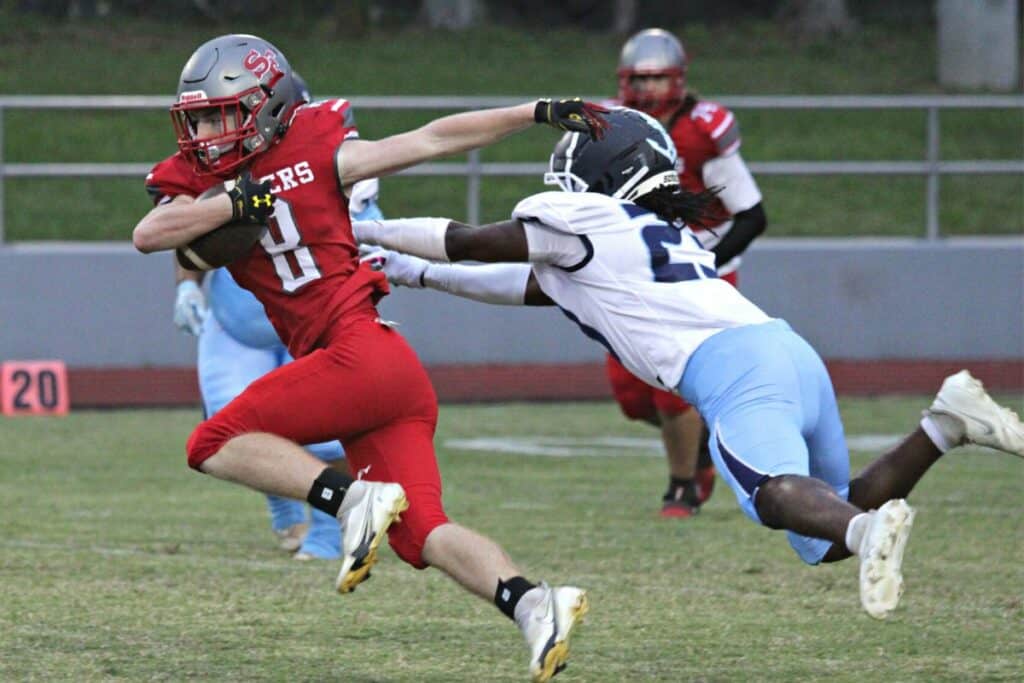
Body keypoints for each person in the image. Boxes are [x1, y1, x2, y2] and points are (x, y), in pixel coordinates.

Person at [354, 107, 1024, 620]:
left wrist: (371, 230)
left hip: (733, 370)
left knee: (771, 494)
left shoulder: (586, 216)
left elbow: (473, 243)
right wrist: (414, 274)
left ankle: (869, 527)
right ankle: (944, 426)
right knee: (819, 531)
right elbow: (519, 280)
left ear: (609, 168)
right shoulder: (649, 236)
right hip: (786, 351)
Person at [133, 34, 607, 681]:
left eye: (225, 113)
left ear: (269, 106)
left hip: (352, 351)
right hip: (387, 368)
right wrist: (230, 202)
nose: (212, 132)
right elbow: (148, 233)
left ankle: (352, 498)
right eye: (203, 118)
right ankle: (535, 603)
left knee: (212, 441)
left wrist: (531, 112)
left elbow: (434, 138)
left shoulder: (321, 145)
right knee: (423, 533)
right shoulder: (202, 180)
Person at [169, 76, 384, 561]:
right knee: (234, 430)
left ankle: (329, 534)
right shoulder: (233, 162)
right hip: (237, 323)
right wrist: (187, 285)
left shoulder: (343, 170)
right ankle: (285, 512)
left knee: (329, 436)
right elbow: (189, 227)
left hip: (313, 327)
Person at [604, 28, 769, 517]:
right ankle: (699, 447)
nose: (649, 89)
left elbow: (753, 214)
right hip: (638, 275)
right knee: (632, 397)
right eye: (641, 78)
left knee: (671, 389)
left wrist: (699, 266)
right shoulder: (611, 124)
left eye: (658, 78)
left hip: (700, 275)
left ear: (677, 79)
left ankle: (683, 488)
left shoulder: (700, 133)